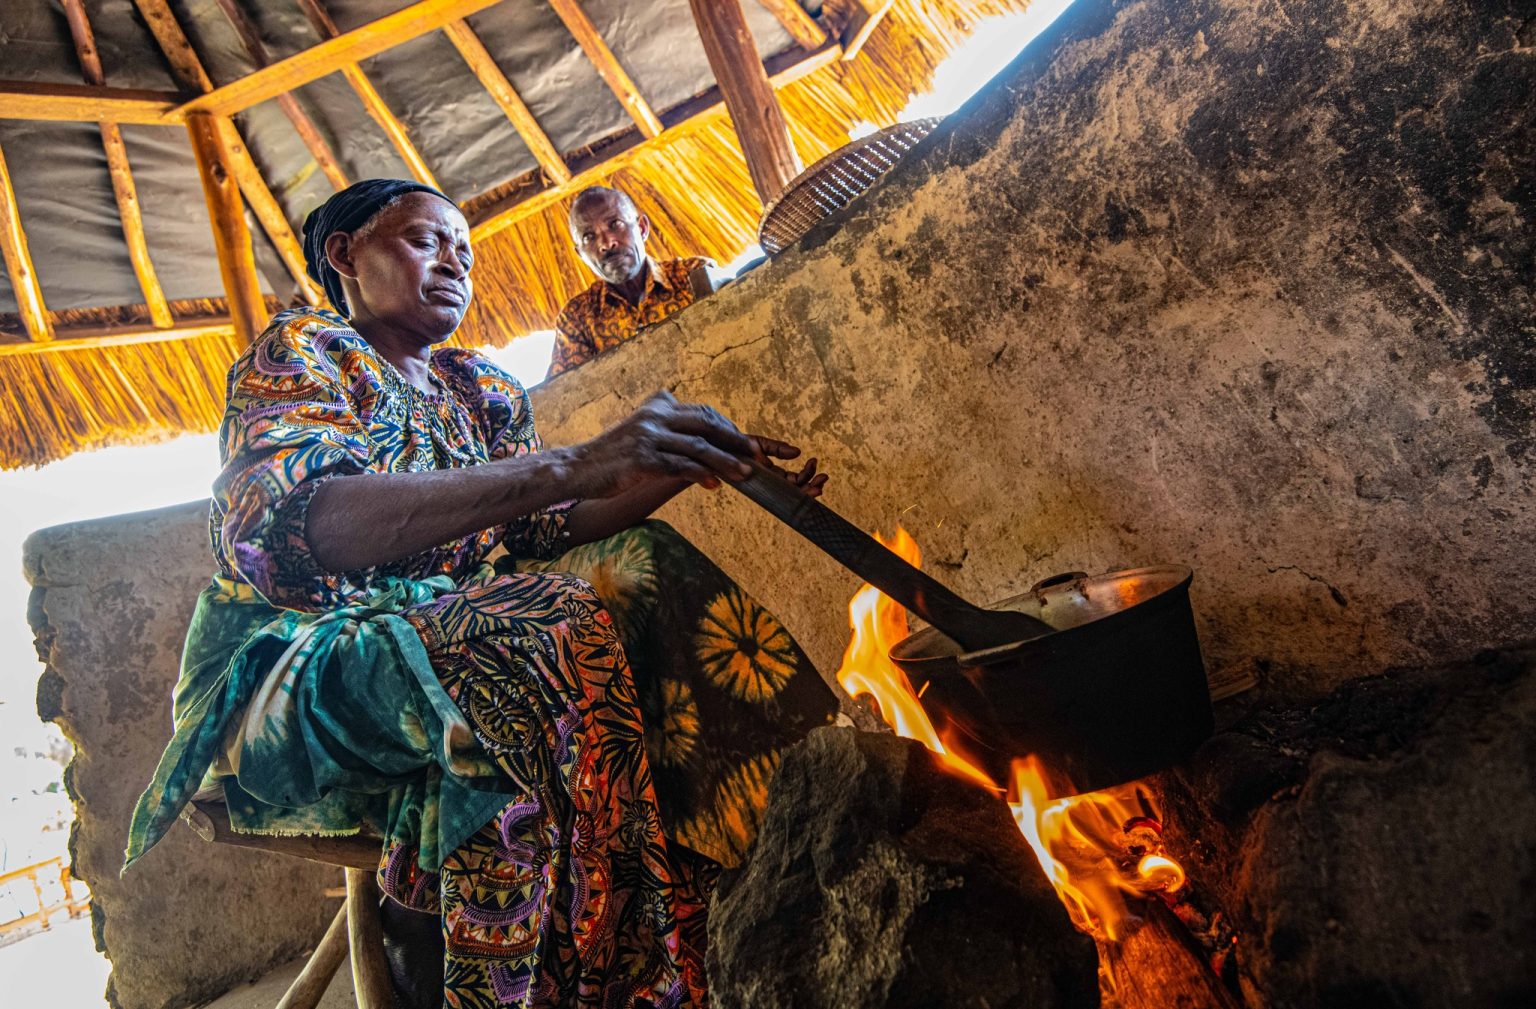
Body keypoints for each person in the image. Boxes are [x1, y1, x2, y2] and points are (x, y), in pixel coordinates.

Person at [125, 179, 836, 1008]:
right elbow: (296, 529)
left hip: (461, 626)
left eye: (464, 249)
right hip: (291, 661)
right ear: (345, 254)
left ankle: (785, 863)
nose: (455, 262)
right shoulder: (304, 354)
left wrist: (678, 469)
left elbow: (547, 529)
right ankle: (573, 980)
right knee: (538, 624)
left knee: (640, 563)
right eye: (427, 240)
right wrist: (571, 461)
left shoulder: (480, 388)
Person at [547, 186, 722, 378]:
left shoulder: (693, 273)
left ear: (642, 228)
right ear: (581, 255)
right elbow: (567, 395)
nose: (606, 243)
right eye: (589, 237)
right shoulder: (577, 318)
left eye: (615, 224)